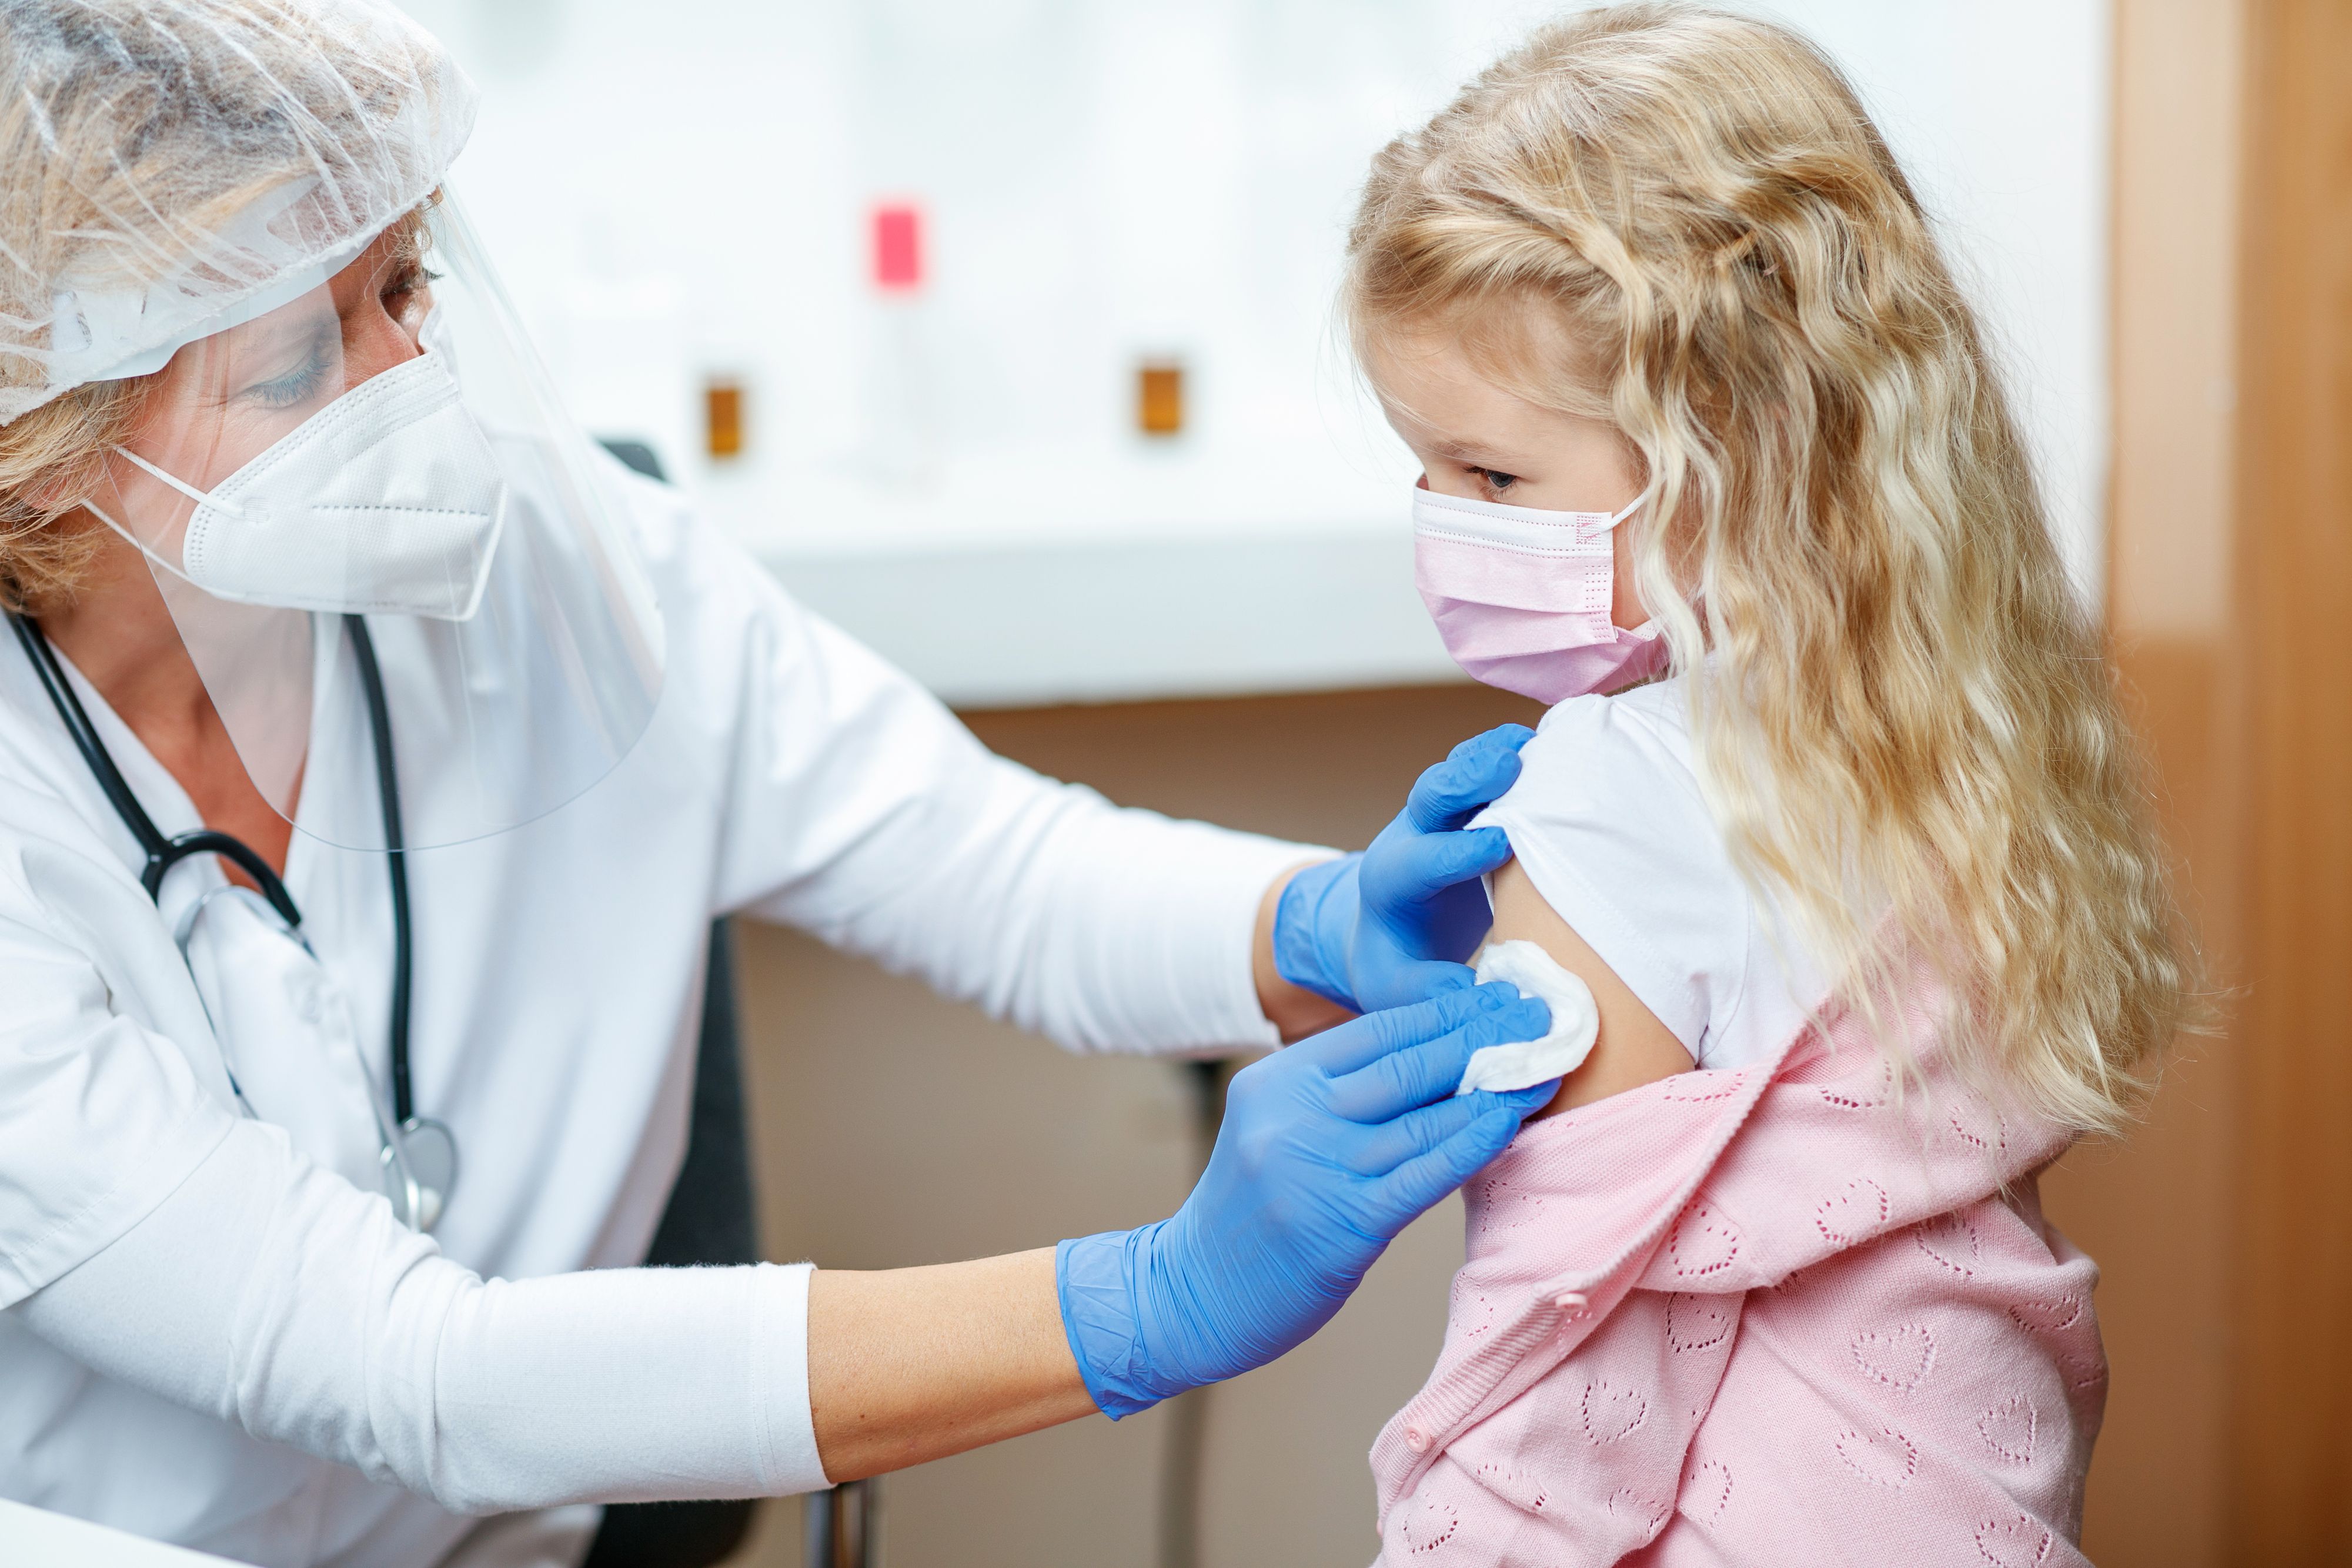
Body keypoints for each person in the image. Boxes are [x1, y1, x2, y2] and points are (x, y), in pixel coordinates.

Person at [0, 3, 1565, 1564]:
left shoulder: (548, 563)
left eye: (403, 289)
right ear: (45, 433)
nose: (410, 385)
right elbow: (421, 1373)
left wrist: (1306, 920)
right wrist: (1146, 1295)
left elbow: (986, 865)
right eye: (293, 362)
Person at [1328, 6, 2195, 1563]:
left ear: (1731, 436)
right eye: (1421, 464)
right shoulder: (1956, 716)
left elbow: (1563, 1368)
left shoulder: (1611, 788)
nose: (1439, 520)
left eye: (1492, 475)